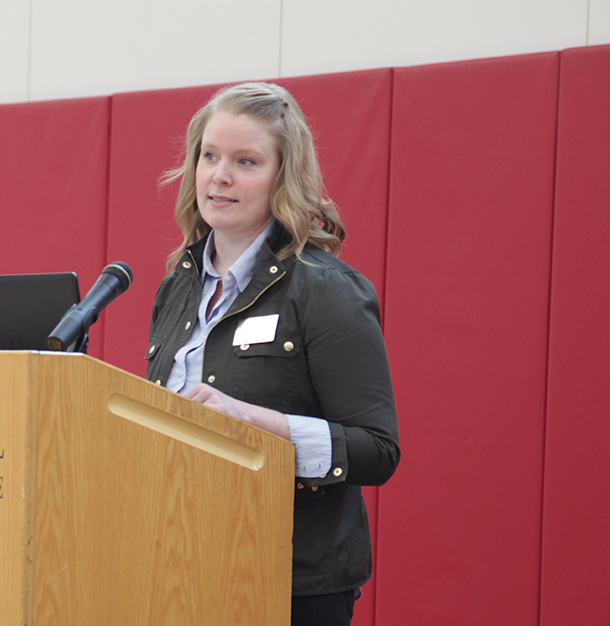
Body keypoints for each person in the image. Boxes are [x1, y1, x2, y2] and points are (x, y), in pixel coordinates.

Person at [145, 82, 400, 626]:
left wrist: (252, 422)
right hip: (180, 567)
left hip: (291, 583)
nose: (220, 175)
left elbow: (377, 451)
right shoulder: (177, 287)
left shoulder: (324, 288)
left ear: (283, 177)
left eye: (246, 161)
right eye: (209, 156)